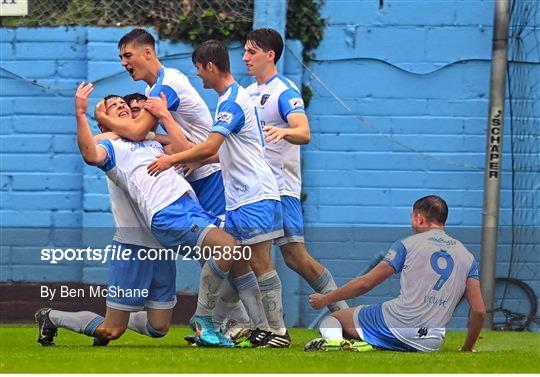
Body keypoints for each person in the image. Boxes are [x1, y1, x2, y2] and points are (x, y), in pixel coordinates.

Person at [37, 82, 268, 348]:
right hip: (136, 242)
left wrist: (163, 121)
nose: (123, 107)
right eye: (115, 107)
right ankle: (52, 317)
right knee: (112, 330)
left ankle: (257, 325)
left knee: (158, 327)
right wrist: (83, 115)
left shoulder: (151, 144)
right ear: (104, 123)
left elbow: (196, 150)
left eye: (124, 105)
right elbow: (90, 152)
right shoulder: (112, 148)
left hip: (162, 242)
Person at [147, 40, 290, 347]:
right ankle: (240, 325)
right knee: (238, 260)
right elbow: (221, 153)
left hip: (255, 194)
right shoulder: (230, 99)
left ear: (210, 67)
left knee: (259, 263)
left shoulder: (232, 102)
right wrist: (194, 159)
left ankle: (278, 332)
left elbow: (212, 146)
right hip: (240, 197)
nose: (198, 77)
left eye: (199, 70)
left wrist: (172, 158)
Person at [243, 28, 348, 312]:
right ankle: (252, 324)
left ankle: (344, 313)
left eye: (251, 52)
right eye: (244, 51)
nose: (244, 57)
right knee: (248, 256)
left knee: (294, 258)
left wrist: (282, 131)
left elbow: (304, 131)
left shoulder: (284, 91)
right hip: (255, 191)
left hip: (280, 189)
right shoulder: (248, 93)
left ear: (270, 55)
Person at [305, 195, 486, 352]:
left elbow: (366, 283)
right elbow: (478, 311)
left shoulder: (408, 244)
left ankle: (336, 343)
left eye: (412, 218)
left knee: (334, 319)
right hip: (432, 340)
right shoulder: (467, 256)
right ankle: (370, 343)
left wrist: (326, 299)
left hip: (396, 325)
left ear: (419, 218)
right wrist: (467, 348)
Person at [94, 28, 225, 218]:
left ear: (148, 53)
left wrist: (104, 119)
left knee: (224, 244)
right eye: (121, 57)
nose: (124, 63)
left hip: (209, 172)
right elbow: (144, 138)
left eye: (128, 55)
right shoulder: (152, 89)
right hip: (190, 172)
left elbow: (137, 132)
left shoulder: (166, 85)